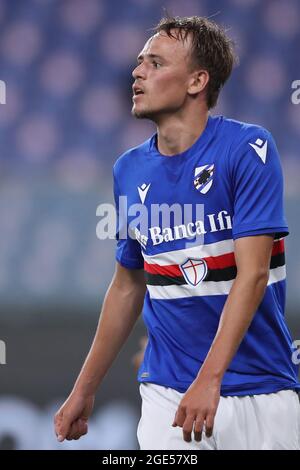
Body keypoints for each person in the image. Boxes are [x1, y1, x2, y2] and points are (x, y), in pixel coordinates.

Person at [54, 16, 300, 450]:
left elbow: (254, 275)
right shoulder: (127, 170)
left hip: (263, 391)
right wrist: (84, 388)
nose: (137, 71)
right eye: (139, 62)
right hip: (168, 393)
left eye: (155, 62)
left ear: (196, 81)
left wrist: (211, 380)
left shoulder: (249, 150)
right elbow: (127, 285)